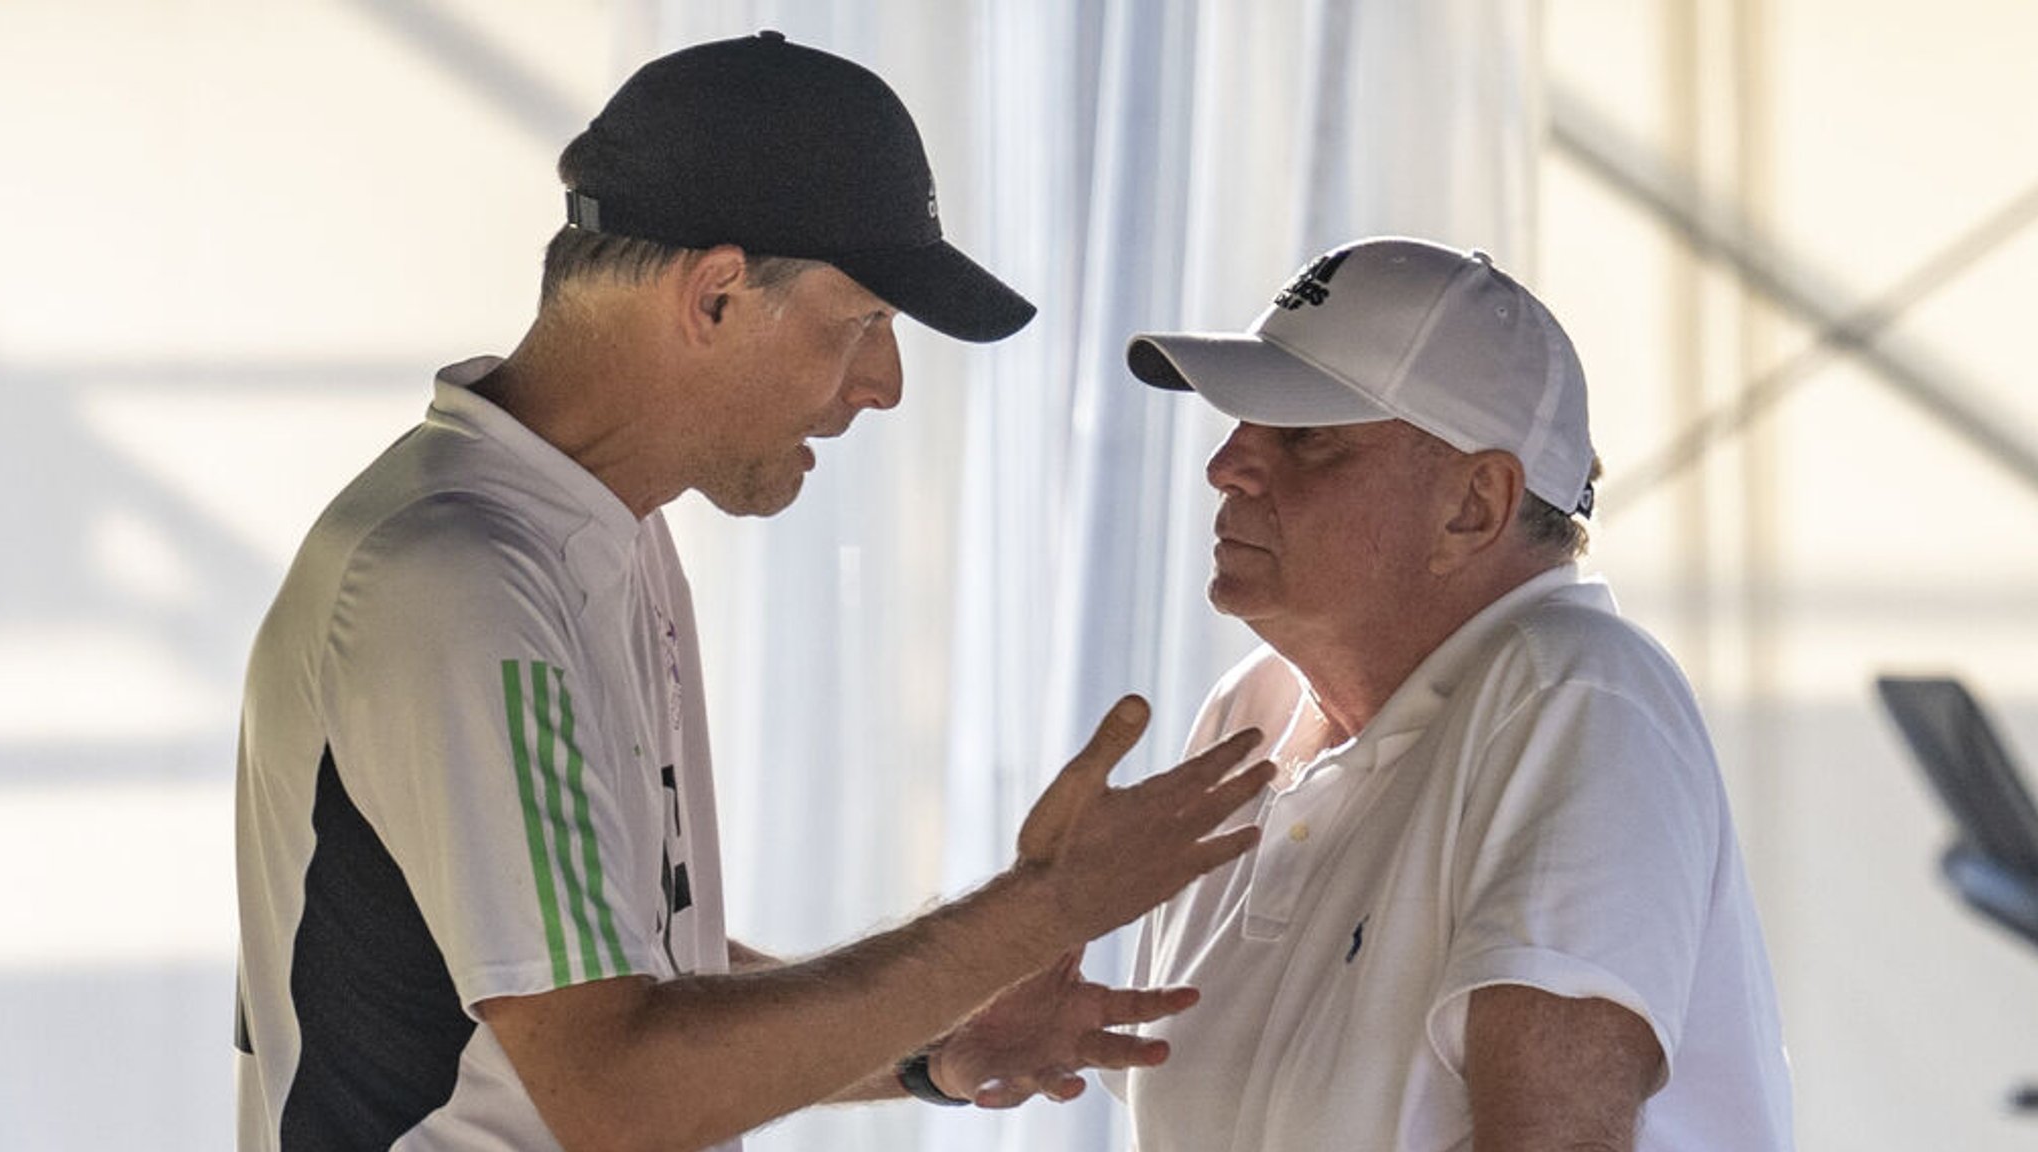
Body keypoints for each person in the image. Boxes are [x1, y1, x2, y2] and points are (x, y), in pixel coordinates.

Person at [233, 31, 1275, 1152]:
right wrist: (1044, 907)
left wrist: (933, 1044)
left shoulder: (593, 531)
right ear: (716, 293)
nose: (884, 384)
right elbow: (616, 1090)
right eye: (864, 322)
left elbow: (602, 963)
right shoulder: (462, 577)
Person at [1112, 237, 1795, 1151]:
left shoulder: (1575, 689)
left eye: (1306, 439)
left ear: (1474, 503)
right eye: (1240, 426)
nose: (1226, 465)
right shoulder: (1254, 714)